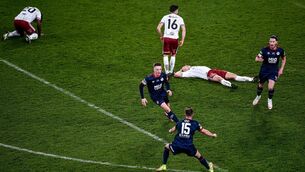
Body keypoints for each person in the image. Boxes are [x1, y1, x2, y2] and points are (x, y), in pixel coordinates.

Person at [156, 107, 217, 172]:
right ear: (192, 114)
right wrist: (212, 135)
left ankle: (164, 165)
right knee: (199, 156)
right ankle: (209, 168)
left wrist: (170, 130)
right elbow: (204, 131)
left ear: (185, 114)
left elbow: (174, 128)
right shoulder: (195, 123)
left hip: (177, 145)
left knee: (166, 147)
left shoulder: (180, 122)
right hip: (188, 146)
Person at [252, 35, 286, 109]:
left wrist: (281, 69)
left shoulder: (280, 50)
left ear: (276, 42)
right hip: (264, 70)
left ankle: (269, 100)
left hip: (273, 71)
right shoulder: (264, 50)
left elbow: (284, 58)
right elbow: (256, 58)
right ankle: (258, 96)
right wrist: (259, 59)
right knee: (260, 85)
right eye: (270, 41)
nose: (271, 43)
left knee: (270, 88)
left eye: (273, 41)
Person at [157, 5, 186, 74]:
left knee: (165, 55)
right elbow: (184, 30)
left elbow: (158, 28)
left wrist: (161, 36)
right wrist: (182, 40)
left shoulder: (165, 17)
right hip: (175, 39)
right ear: (176, 11)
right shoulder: (180, 18)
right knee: (173, 55)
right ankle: (171, 71)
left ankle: (167, 72)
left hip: (166, 38)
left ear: (170, 11)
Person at [174, 65, 257, 89]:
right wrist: (181, 69)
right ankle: (230, 85)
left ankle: (252, 79)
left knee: (234, 76)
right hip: (208, 74)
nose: (185, 65)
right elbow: (176, 74)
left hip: (214, 70)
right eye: (184, 66)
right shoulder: (188, 73)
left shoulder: (193, 67)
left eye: (185, 65)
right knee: (220, 79)